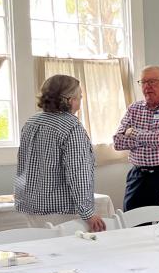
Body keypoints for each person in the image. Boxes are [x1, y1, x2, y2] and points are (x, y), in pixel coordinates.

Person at [14, 74, 106, 232]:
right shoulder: (71, 127)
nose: (81, 102)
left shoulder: (32, 122)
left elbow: (23, 164)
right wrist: (88, 212)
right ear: (71, 100)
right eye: (80, 97)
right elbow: (78, 172)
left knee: (43, 253)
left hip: (30, 205)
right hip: (61, 211)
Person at [113, 65, 159, 211]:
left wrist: (133, 133)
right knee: (132, 223)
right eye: (143, 82)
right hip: (138, 176)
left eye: (152, 81)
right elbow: (117, 141)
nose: (147, 86)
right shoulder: (134, 109)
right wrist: (150, 137)